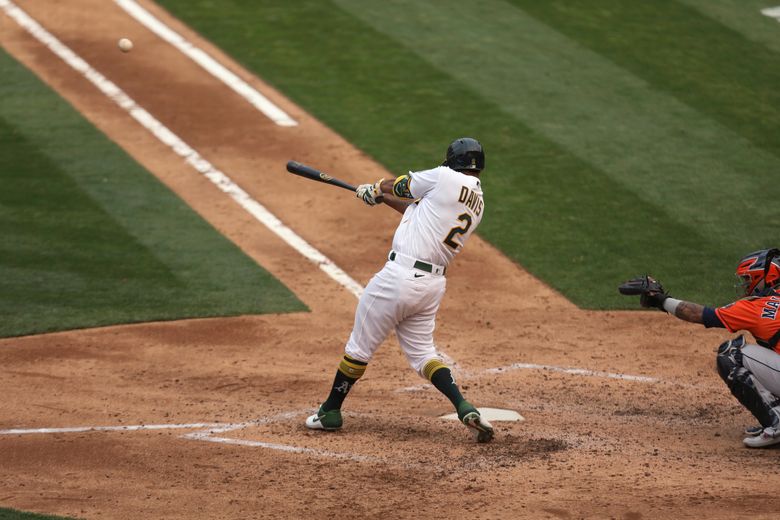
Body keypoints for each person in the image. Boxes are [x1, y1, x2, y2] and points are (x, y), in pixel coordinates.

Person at [305, 137, 494, 442]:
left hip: (398, 278)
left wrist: (377, 186)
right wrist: (379, 198)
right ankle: (463, 405)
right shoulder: (477, 201)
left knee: (359, 348)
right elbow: (420, 212)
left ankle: (330, 411)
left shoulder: (444, 176)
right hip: (431, 287)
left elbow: (403, 185)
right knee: (423, 354)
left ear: (452, 161)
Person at [621, 249, 780, 448]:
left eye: (749, 279)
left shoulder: (758, 307)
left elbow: (701, 315)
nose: (746, 285)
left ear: (766, 278)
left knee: (732, 355)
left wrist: (660, 300)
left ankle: (776, 421)